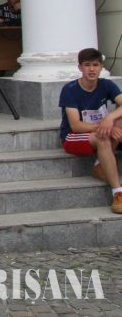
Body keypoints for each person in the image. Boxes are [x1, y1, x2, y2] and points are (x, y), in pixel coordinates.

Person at [59, 48, 122, 214]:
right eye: (87, 65)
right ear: (80, 68)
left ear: (101, 67)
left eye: (95, 65)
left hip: (99, 131)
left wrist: (110, 119)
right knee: (103, 137)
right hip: (74, 137)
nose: (92, 69)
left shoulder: (106, 85)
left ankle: (100, 165)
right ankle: (118, 193)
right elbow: (76, 125)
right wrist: (107, 127)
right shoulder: (70, 89)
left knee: (119, 119)